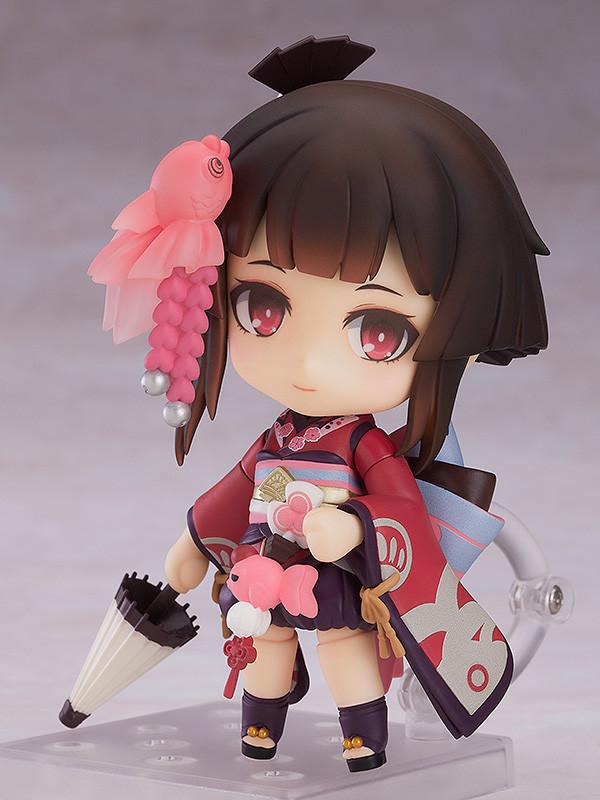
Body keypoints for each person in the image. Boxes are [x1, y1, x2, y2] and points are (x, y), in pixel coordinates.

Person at [107, 35, 549, 773]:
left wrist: (354, 526)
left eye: (378, 332)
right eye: (262, 306)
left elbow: (401, 506)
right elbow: (236, 491)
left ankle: (361, 734)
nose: (309, 365)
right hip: (264, 564)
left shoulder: (361, 446)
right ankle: (260, 729)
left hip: (337, 570)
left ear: (465, 334)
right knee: (264, 643)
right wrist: (193, 544)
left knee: (347, 647)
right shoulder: (279, 440)